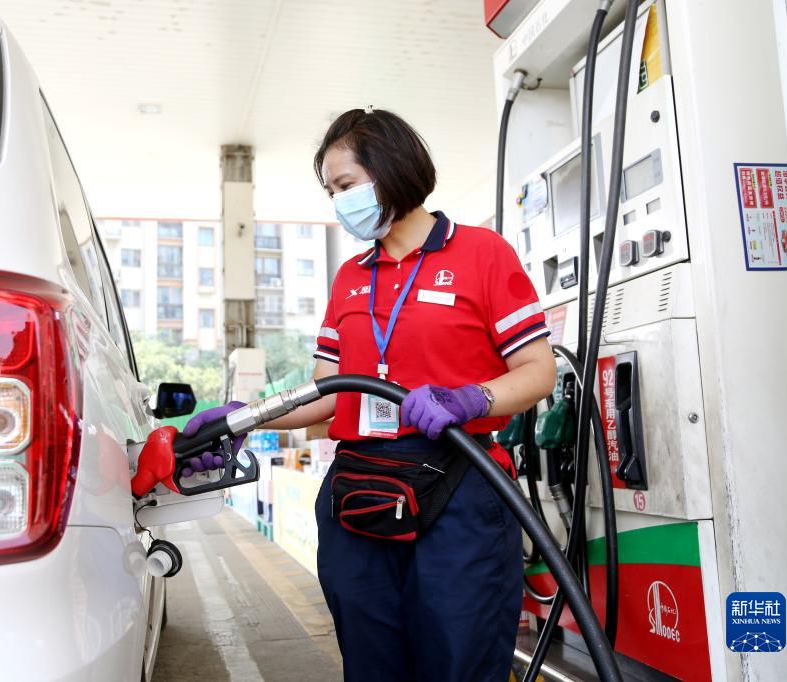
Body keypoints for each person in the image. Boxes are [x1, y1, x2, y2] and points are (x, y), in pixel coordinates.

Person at [184, 109, 556, 681]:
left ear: (392, 168)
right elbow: (328, 392)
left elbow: (537, 370)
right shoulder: (352, 277)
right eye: (331, 191)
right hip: (359, 491)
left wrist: (471, 399)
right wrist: (244, 418)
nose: (338, 202)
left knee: (460, 661)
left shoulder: (482, 253)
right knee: (370, 665)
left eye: (346, 185)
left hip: (460, 486)